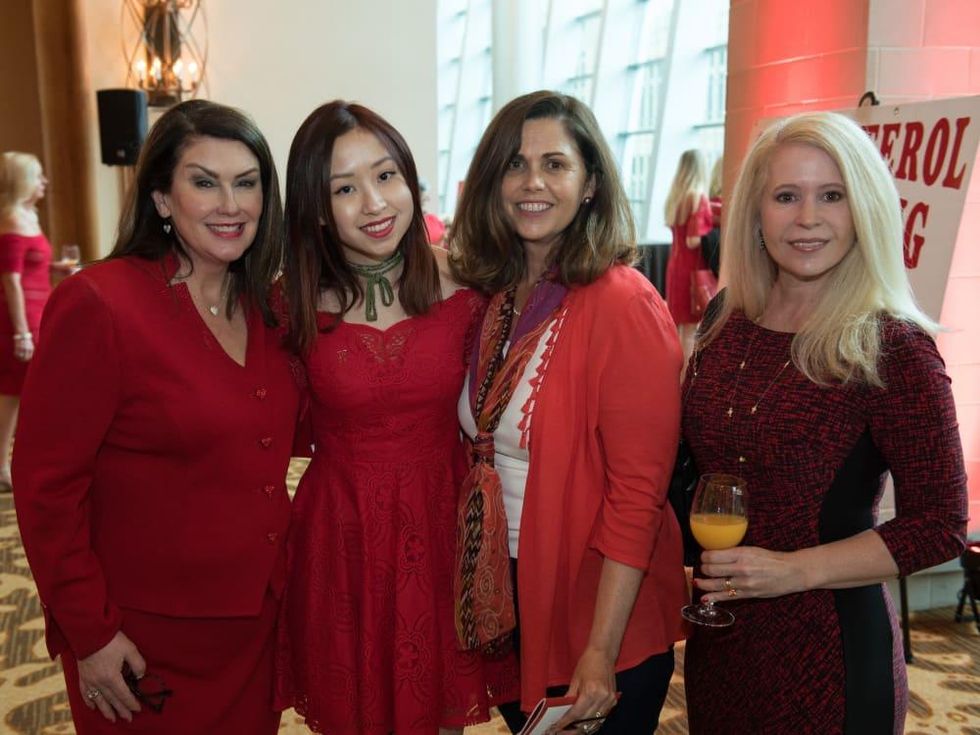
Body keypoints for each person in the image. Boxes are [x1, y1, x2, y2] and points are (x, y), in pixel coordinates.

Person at [13, 100, 303, 734]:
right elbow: (46, 488)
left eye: (246, 183)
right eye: (205, 182)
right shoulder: (101, 303)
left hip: (254, 625)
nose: (231, 204)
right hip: (141, 640)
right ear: (162, 199)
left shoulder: (269, 309)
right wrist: (90, 634)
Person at [682, 111, 968, 734]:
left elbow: (941, 525)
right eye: (787, 196)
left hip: (830, 655)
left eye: (832, 196)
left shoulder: (892, 346)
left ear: (864, 208)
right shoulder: (728, 318)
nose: (807, 217)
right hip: (723, 646)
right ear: (755, 213)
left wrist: (793, 570)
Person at [449, 90, 686, 734]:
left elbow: (638, 494)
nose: (533, 182)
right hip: (508, 594)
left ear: (589, 185)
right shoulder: (495, 297)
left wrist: (600, 650)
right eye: (515, 164)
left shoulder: (623, 303)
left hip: (595, 611)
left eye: (555, 164)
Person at [276, 100, 516, 735]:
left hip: (441, 523)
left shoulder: (470, 287)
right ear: (315, 208)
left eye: (386, 176)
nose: (374, 203)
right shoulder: (289, 302)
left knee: (438, 711)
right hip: (343, 531)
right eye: (344, 189)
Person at [0, 152, 52, 492]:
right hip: (19, 319)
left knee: (26, 391)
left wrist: (57, 268)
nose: (44, 182)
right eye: (37, 176)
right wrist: (21, 333)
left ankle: (20, 461)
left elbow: (31, 266)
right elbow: (10, 280)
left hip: (40, 312)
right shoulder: (11, 221)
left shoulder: (29, 216)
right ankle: (2, 464)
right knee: (13, 393)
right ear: (22, 183)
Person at [664, 149, 714, 364]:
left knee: (679, 329)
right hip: (693, 270)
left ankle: (674, 375)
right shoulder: (698, 197)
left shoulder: (675, 197)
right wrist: (715, 235)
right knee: (691, 331)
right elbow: (693, 241)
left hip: (675, 267)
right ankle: (686, 378)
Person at [419, 177, 447, 246]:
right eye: (424, 196)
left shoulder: (433, 218)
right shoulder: (410, 223)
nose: (428, 199)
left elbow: (445, 235)